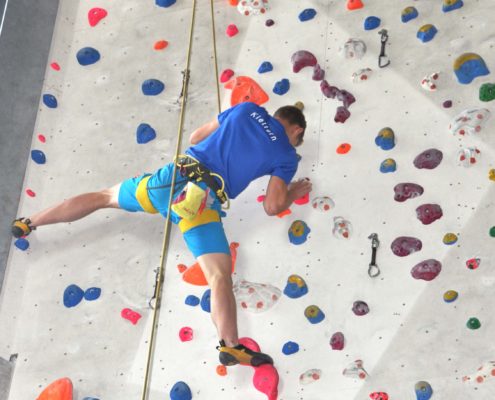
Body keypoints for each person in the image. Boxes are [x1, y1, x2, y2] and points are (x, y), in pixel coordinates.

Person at [11, 101, 312, 367]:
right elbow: (272, 206)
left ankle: (29, 222)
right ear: (296, 130)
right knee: (219, 277)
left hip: (170, 180)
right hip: (199, 203)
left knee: (104, 197)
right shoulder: (286, 154)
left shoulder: (246, 108)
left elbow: (196, 137)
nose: (296, 144)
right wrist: (291, 193)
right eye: (299, 140)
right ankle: (230, 346)